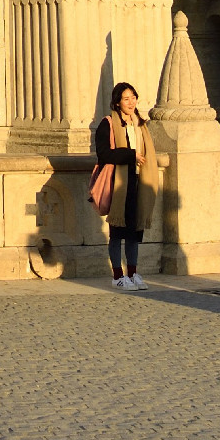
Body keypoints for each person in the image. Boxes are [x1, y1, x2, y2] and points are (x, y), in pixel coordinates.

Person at [92, 82, 156, 290]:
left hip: (138, 181)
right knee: (117, 231)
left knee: (134, 232)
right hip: (118, 183)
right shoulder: (108, 123)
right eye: (126, 98)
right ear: (117, 102)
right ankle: (118, 276)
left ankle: (133, 273)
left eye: (133, 98)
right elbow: (103, 154)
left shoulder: (141, 124)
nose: (131, 102)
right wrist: (131, 155)